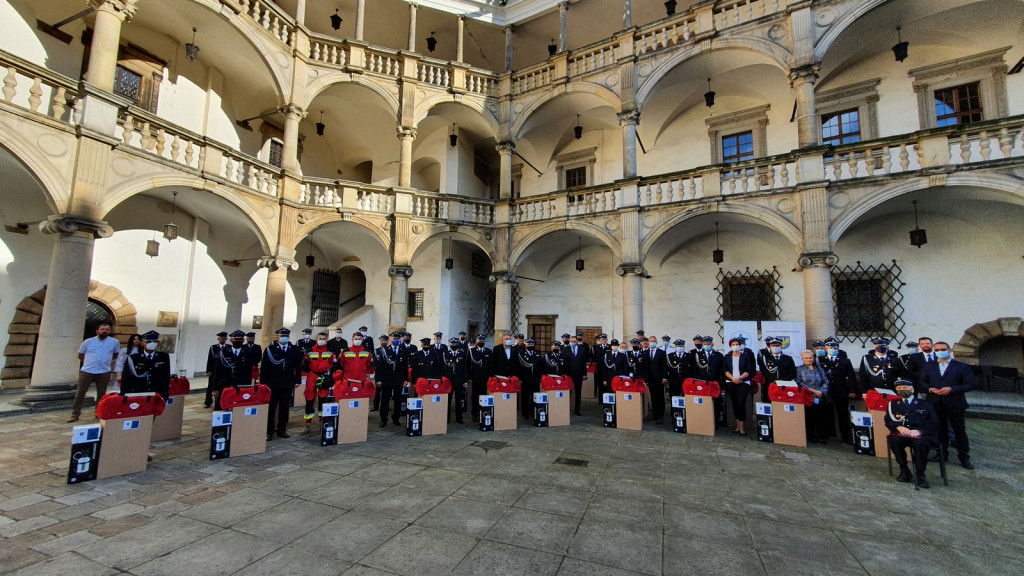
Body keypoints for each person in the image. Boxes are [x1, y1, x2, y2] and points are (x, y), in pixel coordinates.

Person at [918, 341, 976, 469]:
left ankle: (964, 457)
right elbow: (922, 382)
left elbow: (971, 384)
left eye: (942, 349)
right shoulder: (929, 365)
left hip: (955, 402)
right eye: (937, 350)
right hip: (935, 402)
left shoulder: (961, 366)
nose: (940, 352)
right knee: (939, 429)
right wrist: (930, 389)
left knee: (959, 430)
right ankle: (942, 453)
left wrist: (952, 389)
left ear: (949, 351)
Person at [885, 379, 940, 488]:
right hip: (903, 433)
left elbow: (934, 423)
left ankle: (920, 473)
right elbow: (888, 420)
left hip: (922, 435)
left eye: (905, 388)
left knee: (919, 444)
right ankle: (904, 469)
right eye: (899, 389)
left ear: (912, 389)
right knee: (894, 440)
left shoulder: (925, 404)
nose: (902, 390)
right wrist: (898, 427)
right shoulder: (893, 404)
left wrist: (920, 431)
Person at [68, 323, 121, 423]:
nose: (105, 331)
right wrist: (90, 362)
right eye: (102, 329)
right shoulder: (88, 342)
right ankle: (75, 414)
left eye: (107, 329)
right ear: (97, 331)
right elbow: (81, 355)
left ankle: (98, 412)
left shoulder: (114, 342)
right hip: (88, 370)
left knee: (101, 393)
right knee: (80, 393)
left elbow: (115, 354)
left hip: (104, 370)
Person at [260, 328, 302, 440]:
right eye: (281, 336)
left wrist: (298, 380)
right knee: (271, 408)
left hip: (287, 383)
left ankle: (282, 429)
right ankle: (269, 431)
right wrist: (263, 383)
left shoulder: (294, 349)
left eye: (286, 336)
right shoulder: (270, 349)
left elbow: (298, 366)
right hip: (272, 383)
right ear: (277, 337)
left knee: (284, 407)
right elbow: (264, 368)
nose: (284, 338)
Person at [818, 339, 858, 444]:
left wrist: (852, 390)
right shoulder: (821, 360)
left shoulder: (844, 361)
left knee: (843, 414)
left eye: (835, 348)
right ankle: (826, 434)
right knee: (825, 412)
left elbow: (851, 377)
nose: (832, 349)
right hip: (826, 390)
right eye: (830, 348)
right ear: (826, 348)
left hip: (841, 390)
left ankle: (846, 437)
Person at [301, 331, 337, 433]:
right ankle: (308, 423)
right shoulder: (310, 351)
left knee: (323, 400)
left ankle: (322, 422)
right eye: (320, 339)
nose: (321, 340)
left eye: (323, 339)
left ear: (326, 340)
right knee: (309, 399)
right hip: (312, 376)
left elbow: (333, 364)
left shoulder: (330, 352)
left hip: (324, 376)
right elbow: (305, 364)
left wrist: (330, 376)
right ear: (316, 339)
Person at [120, 330, 172, 400]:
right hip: (139, 393)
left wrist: (165, 396)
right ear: (142, 343)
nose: (152, 344)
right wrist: (124, 395)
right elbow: (126, 378)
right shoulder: (134, 358)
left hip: (156, 393)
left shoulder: (163, 357)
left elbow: (166, 377)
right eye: (149, 342)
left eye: (155, 341)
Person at [210, 330, 254, 411]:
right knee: (222, 407)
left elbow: (248, 372)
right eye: (236, 339)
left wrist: (247, 387)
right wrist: (214, 388)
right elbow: (217, 371)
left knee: (238, 408)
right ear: (231, 340)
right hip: (225, 385)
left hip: (240, 385)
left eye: (240, 339)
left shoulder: (247, 353)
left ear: (243, 341)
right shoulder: (224, 353)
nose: (238, 341)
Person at [375, 332, 410, 427]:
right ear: (390, 340)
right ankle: (383, 419)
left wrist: (406, 379)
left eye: (397, 339)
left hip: (398, 379)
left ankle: (396, 418)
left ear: (400, 340)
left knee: (398, 400)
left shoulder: (403, 350)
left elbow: (405, 367)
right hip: (387, 379)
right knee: (385, 400)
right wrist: (378, 379)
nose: (396, 340)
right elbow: (380, 367)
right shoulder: (385, 350)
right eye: (394, 339)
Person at [796, 350, 831, 444]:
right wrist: (812, 391)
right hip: (807, 395)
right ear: (802, 359)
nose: (808, 360)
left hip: (820, 396)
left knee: (821, 417)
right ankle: (811, 436)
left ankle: (821, 436)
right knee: (809, 417)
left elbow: (826, 381)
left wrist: (821, 392)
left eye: (810, 358)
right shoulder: (799, 369)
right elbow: (799, 382)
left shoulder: (819, 369)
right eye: (806, 358)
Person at [723, 337, 755, 436]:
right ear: (730, 346)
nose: (735, 346)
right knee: (735, 403)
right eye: (733, 345)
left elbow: (749, 370)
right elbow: (725, 370)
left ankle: (742, 427)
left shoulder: (745, 356)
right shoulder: (727, 357)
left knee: (741, 403)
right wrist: (733, 378)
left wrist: (740, 378)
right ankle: (737, 426)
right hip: (731, 381)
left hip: (743, 382)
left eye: (737, 344)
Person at [757, 337, 796, 403]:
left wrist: (782, 381)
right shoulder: (765, 358)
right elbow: (764, 372)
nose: (775, 347)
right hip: (770, 385)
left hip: (784, 385)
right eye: (773, 346)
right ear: (770, 347)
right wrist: (774, 382)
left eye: (777, 345)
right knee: (769, 404)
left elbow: (792, 373)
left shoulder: (788, 358)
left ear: (781, 347)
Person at [443, 337, 470, 424]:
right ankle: (447, 418)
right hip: (449, 381)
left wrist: (465, 380)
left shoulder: (462, 354)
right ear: (450, 344)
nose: (453, 345)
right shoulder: (446, 354)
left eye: (455, 344)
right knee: (448, 400)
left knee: (458, 400)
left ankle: (459, 418)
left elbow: (465, 368)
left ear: (458, 344)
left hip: (459, 380)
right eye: (452, 344)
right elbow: (444, 368)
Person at [562, 333, 588, 416]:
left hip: (579, 374)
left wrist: (584, 374)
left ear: (577, 342)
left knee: (578, 392)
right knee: (568, 392)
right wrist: (563, 374)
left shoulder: (582, 349)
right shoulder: (565, 349)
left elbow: (584, 363)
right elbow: (564, 363)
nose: (572, 342)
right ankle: (566, 408)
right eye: (571, 341)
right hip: (568, 374)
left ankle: (577, 410)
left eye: (574, 341)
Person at [468, 335, 492, 422]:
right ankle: (474, 414)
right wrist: (469, 377)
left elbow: (491, 366)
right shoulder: (472, 351)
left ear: (484, 342)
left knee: (484, 396)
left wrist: (490, 377)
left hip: (485, 379)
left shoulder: (488, 351)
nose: (481, 342)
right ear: (476, 342)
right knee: (475, 396)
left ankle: (483, 412)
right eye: (479, 341)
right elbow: (468, 365)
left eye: (482, 341)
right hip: (475, 378)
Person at [518, 338, 543, 419]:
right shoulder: (521, 353)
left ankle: (533, 412)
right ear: (525, 345)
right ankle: (525, 413)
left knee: (535, 396)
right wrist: (520, 378)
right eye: (529, 344)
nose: (530, 345)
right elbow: (519, 367)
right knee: (525, 397)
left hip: (535, 379)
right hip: (525, 379)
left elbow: (540, 366)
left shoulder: (537, 353)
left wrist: (540, 377)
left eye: (532, 344)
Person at [645, 337, 667, 425]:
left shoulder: (661, 352)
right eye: (651, 341)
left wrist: (665, 377)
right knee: (653, 397)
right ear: (648, 342)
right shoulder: (645, 352)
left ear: (657, 342)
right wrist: (646, 379)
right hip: (650, 379)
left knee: (660, 397)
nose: (652, 342)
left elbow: (664, 366)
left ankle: (660, 416)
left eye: (654, 341)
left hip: (659, 378)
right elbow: (645, 367)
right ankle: (654, 414)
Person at [204, 331, 228, 408]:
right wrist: (208, 370)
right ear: (218, 339)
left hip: (224, 370)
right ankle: (208, 401)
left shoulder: (229, 347)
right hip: (214, 370)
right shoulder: (213, 347)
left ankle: (222, 402)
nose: (223, 339)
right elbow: (210, 359)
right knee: (211, 386)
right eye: (221, 338)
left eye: (224, 338)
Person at [371, 333, 389, 412]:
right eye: (382, 340)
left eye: (385, 340)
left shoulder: (389, 350)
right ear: (380, 341)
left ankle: (386, 406)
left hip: (387, 375)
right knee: (377, 392)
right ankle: (375, 406)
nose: (383, 342)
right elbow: (375, 363)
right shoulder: (376, 351)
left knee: (386, 393)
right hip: (379, 374)